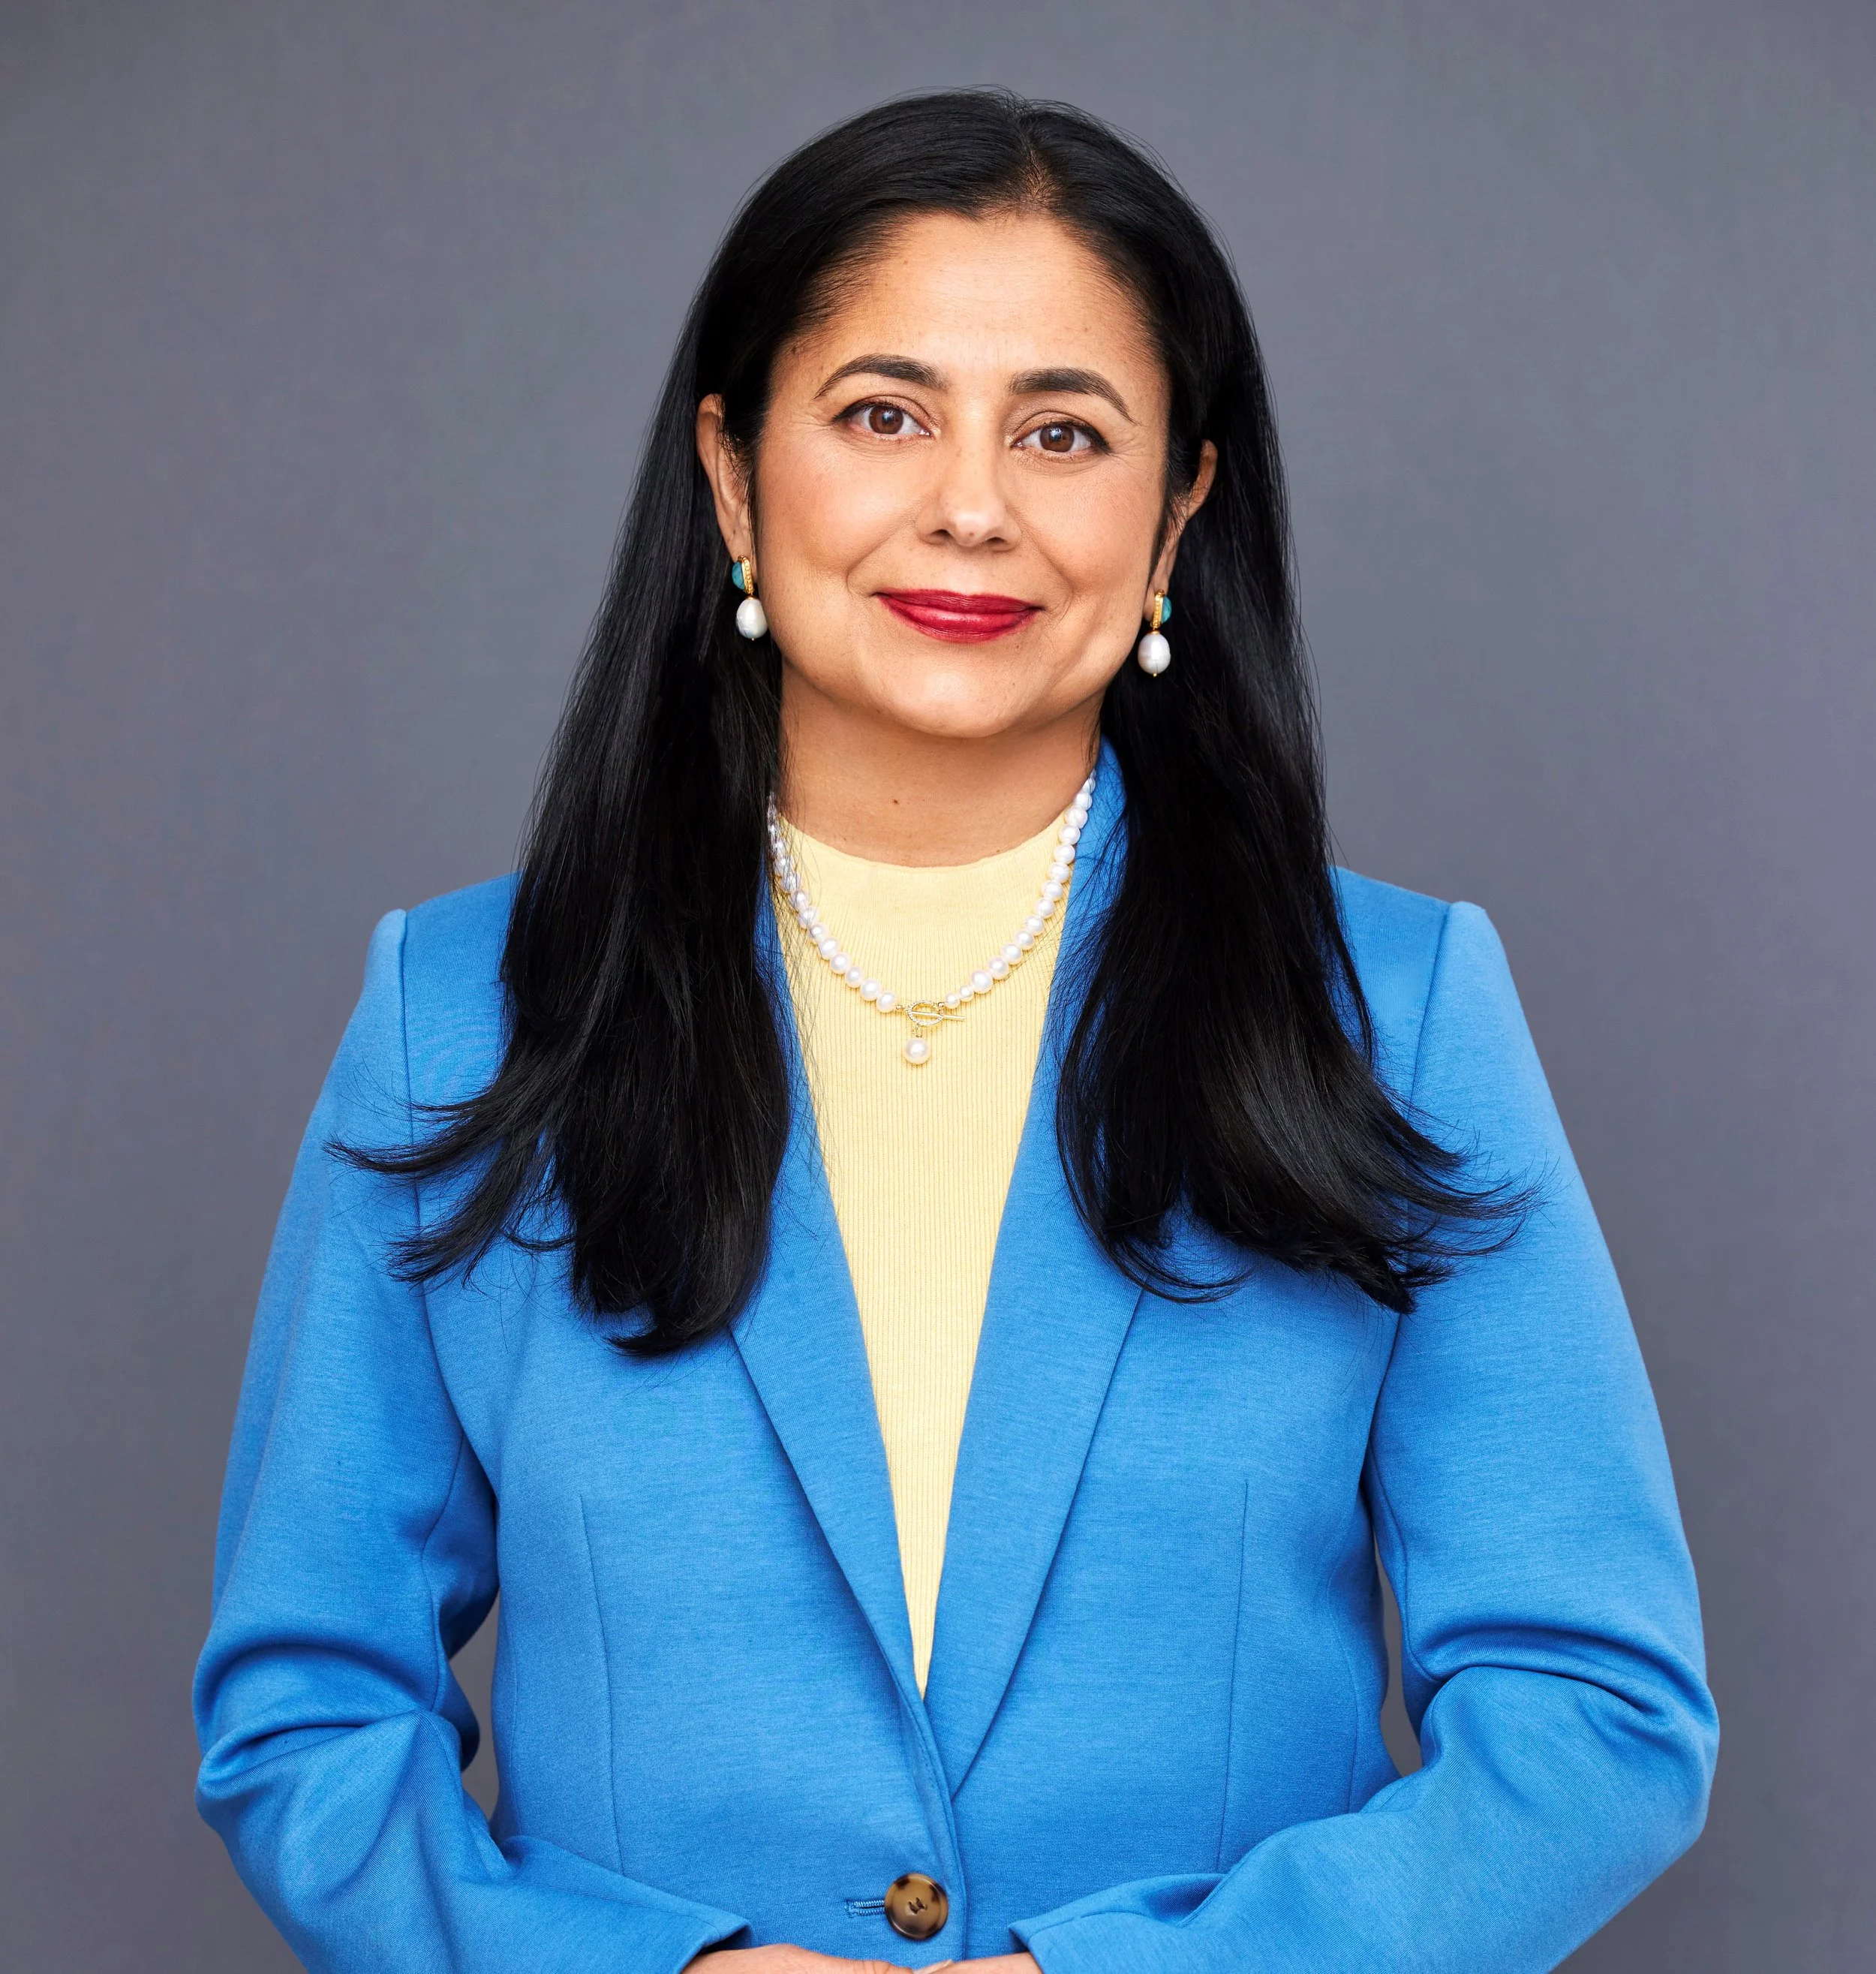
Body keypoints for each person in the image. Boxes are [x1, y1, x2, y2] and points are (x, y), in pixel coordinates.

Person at [194, 89, 1716, 1974]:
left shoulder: (1393, 1012)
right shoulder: (460, 1014)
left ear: (1176, 514)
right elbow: (302, 1717)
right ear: (735, 475)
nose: (971, 504)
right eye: (883, 413)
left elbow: (1598, 1717)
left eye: (1062, 432)